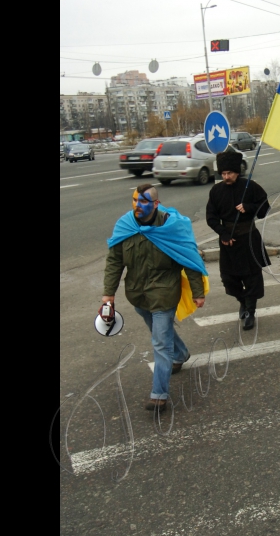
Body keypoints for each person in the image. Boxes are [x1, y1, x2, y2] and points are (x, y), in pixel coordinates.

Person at [102, 184, 208, 412]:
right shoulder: (125, 226)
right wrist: (108, 295)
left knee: (160, 342)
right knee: (161, 334)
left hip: (164, 293)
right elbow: (114, 262)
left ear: (156, 204)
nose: (137, 206)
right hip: (138, 296)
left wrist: (198, 292)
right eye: (134, 200)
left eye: (143, 202)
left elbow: (188, 258)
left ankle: (159, 395)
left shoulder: (171, 227)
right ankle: (181, 353)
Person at [206, 151, 270, 330]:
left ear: (237, 172)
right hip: (228, 242)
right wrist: (223, 234)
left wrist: (249, 208)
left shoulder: (250, 187)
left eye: (230, 173)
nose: (226, 177)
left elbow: (265, 208)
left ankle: (250, 311)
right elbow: (211, 217)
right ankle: (242, 300)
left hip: (248, 239)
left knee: (251, 279)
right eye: (223, 174)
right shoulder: (216, 191)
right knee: (229, 279)